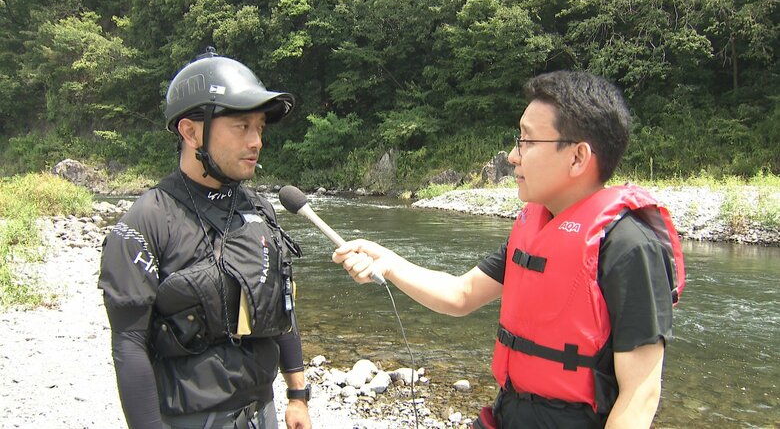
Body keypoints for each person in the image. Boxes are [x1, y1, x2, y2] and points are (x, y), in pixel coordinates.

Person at [333, 71, 685, 428]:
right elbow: (462, 294)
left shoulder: (629, 246)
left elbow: (640, 394)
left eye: (528, 142)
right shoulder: (535, 226)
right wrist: (388, 263)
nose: (514, 156)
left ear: (578, 157)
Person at [98, 48, 312, 429]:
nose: (256, 141)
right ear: (190, 131)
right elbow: (128, 345)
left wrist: (298, 395)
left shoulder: (260, 211)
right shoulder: (144, 223)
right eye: (241, 126)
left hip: (263, 413)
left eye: (260, 127)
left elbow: (280, 307)